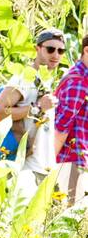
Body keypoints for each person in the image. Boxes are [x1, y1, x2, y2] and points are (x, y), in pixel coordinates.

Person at [0, 28, 65, 180]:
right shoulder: (24, 78)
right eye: (50, 49)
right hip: (23, 168)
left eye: (61, 51)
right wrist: (37, 108)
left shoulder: (46, 80)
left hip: (41, 167)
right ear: (37, 49)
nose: (56, 55)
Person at [53, 33, 88, 206]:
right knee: (69, 215)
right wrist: (49, 160)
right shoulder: (79, 81)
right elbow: (62, 124)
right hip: (71, 157)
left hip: (77, 157)